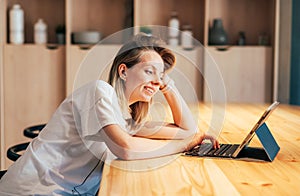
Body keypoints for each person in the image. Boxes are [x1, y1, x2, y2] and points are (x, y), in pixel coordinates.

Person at [0, 33, 219, 195]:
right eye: (149, 71)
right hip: (32, 191)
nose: (156, 80)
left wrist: (166, 84)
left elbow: (185, 130)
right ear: (123, 71)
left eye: (160, 75)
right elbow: (125, 149)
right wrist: (185, 146)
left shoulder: (127, 118)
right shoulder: (100, 91)